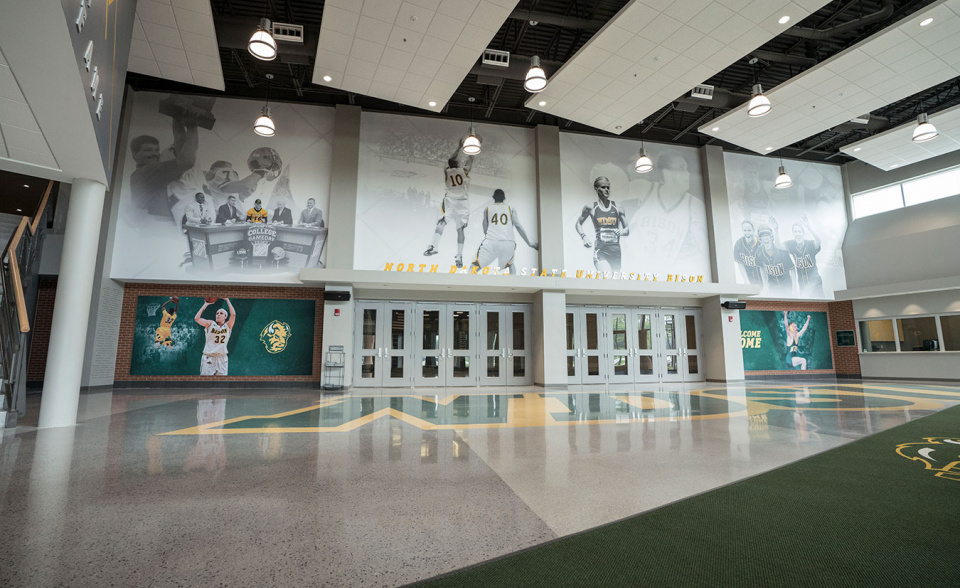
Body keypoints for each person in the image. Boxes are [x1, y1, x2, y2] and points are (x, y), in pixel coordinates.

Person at [129, 110, 199, 218]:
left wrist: (177, 118)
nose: (155, 154)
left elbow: (180, 148)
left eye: (157, 150)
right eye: (148, 150)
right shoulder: (146, 172)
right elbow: (187, 161)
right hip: (157, 226)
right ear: (135, 155)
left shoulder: (154, 172)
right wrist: (192, 128)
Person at [424, 144, 475, 268]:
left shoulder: (446, 171)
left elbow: (451, 159)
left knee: (441, 222)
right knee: (460, 229)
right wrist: (472, 152)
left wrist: (458, 147)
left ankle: (434, 246)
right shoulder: (463, 170)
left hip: (450, 200)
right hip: (462, 201)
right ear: (457, 165)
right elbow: (470, 162)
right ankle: (459, 255)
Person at [471, 189, 538, 272]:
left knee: (473, 267)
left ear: (493, 197)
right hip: (508, 243)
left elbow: (485, 229)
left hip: (491, 242)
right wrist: (529, 243)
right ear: (504, 198)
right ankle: (513, 284)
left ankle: (466, 284)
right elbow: (518, 226)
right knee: (510, 266)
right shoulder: (510, 209)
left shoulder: (487, 209)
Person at [575, 176, 629, 273]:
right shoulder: (591, 207)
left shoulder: (618, 207)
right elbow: (578, 224)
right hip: (601, 251)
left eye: (608, 187)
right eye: (603, 187)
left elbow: (627, 230)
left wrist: (620, 232)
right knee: (606, 276)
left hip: (616, 251)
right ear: (596, 189)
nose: (607, 190)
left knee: (614, 282)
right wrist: (584, 237)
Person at [194, 298, 236, 376]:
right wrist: (205, 304)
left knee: (221, 384)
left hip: (222, 359)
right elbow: (197, 318)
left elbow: (233, 315)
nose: (218, 314)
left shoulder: (228, 326)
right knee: (206, 384)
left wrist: (227, 300)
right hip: (209, 358)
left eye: (221, 313)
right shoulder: (210, 324)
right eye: (217, 313)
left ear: (225, 317)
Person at [786, 215, 824, 297]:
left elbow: (819, 241)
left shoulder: (810, 244)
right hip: (803, 285)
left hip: (815, 284)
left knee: (818, 305)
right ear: (793, 233)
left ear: (803, 233)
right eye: (795, 232)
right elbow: (779, 247)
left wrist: (809, 227)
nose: (797, 234)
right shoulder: (791, 244)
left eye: (799, 231)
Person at [755, 224, 795, 296]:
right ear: (760, 239)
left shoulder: (782, 252)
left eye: (767, 235)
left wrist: (794, 288)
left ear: (771, 237)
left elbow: (792, 269)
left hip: (786, 287)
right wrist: (765, 285)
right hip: (772, 288)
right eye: (763, 236)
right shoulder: (759, 253)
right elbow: (761, 268)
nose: (765, 238)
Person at [734, 220, 763, 285]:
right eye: (745, 230)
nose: (747, 233)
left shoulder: (760, 243)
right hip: (749, 280)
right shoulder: (738, 244)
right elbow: (740, 265)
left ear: (753, 230)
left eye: (749, 230)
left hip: (763, 280)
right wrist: (747, 282)